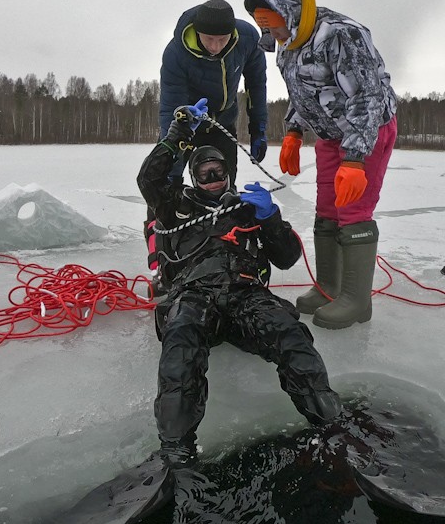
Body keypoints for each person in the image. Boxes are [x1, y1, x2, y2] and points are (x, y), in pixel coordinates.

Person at [137, 99, 342, 465]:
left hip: (247, 296)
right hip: (195, 296)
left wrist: (272, 218)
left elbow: (287, 257)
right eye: (205, 173)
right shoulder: (176, 206)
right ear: (194, 176)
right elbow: (149, 179)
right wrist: (177, 133)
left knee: (290, 334)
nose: (213, 179)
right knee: (181, 344)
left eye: (218, 172)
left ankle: (329, 425)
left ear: (228, 173)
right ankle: (176, 448)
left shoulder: (245, 207)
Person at [244, 0, 398, 330]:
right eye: (264, 26)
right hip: (330, 135)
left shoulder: (342, 34)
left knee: (353, 208)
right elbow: (304, 94)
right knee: (327, 208)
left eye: (274, 24)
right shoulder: (289, 44)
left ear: (290, 12)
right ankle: (329, 287)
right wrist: (294, 133)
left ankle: (356, 301)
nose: (273, 34)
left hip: (367, 132)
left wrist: (356, 158)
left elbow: (367, 96)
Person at [144, 0, 269, 293]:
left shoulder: (248, 38)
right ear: (197, 34)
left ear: (232, 35)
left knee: (224, 191)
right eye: (208, 40)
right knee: (165, 198)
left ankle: (232, 259)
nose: (215, 46)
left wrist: (258, 128)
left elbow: (257, 85)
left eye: (221, 40)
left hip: (223, 122)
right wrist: (173, 154)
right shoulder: (176, 53)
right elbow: (169, 108)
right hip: (187, 121)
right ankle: (164, 267)